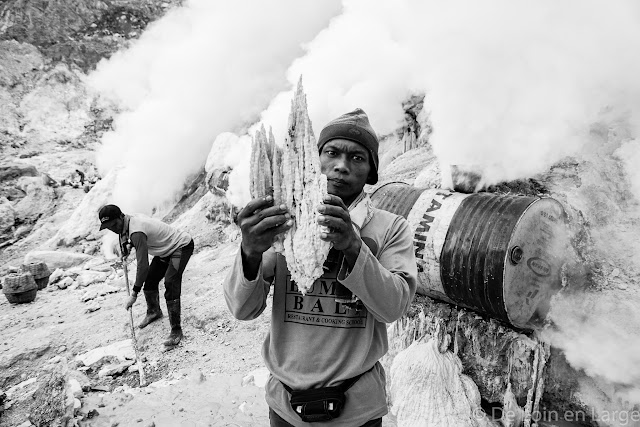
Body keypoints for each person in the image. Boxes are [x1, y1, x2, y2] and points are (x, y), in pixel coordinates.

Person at [224, 108, 418, 426]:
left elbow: (393, 307)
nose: (341, 166)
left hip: (356, 409)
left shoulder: (389, 228)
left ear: (371, 172)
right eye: (332, 153)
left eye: (357, 158)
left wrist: (353, 247)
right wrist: (249, 252)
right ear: (315, 160)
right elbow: (243, 309)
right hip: (286, 407)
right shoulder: (283, 222)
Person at [98, 204, 194, 349]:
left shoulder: (136, 231)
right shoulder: (127, 222)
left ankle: (176, 331)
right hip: (165, 251)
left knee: (171, 282)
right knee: (150, 281)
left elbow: (142, 266)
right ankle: (154, 311)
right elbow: (124, 235)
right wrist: (125, 247)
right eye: (109, 227)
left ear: (120, 216)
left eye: (114, 224)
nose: (113, 228)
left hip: (180, 246)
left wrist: (134, 294)